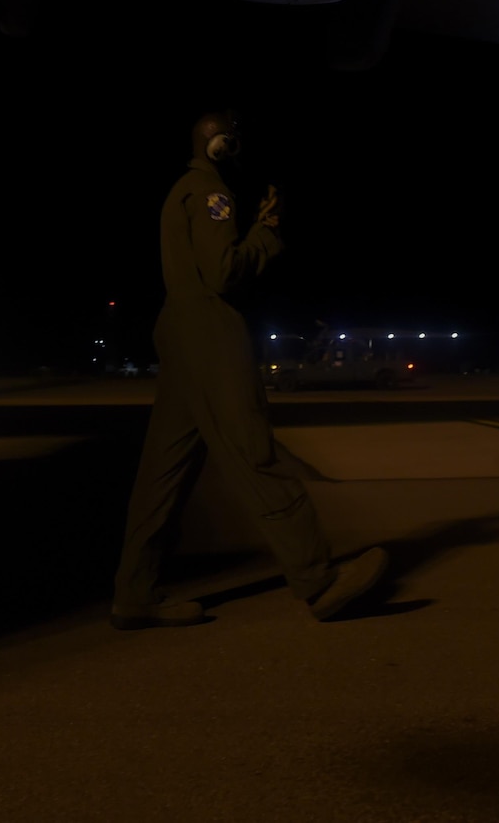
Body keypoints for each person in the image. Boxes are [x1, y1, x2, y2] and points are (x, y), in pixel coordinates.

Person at [110, 110, 387, 629]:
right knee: (254, 452)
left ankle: (135, 592)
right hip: (210, 334)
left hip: (179, 332)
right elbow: (223, 272)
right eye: (234, 143)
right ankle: (317, 580)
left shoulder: (180, 191)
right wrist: (266, 232)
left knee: (161, 475)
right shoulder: (213, 195)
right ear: (222, 146)